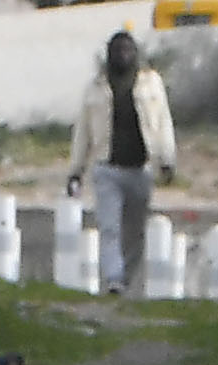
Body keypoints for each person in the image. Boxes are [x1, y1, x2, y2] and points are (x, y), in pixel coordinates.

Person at [71, 33, 175, 298]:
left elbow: (163, 123)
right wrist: (76, 171)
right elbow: (82, 132)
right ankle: (114, 279)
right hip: (107, 170)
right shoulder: (95, 88)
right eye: (117, 50)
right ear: (109, 54)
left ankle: (126, 279)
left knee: (135, 232)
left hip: (140, 170)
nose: (123, 55)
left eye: (128, 50)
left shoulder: (151, 83)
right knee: (109, 227)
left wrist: (167, 159)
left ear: (136, 53)